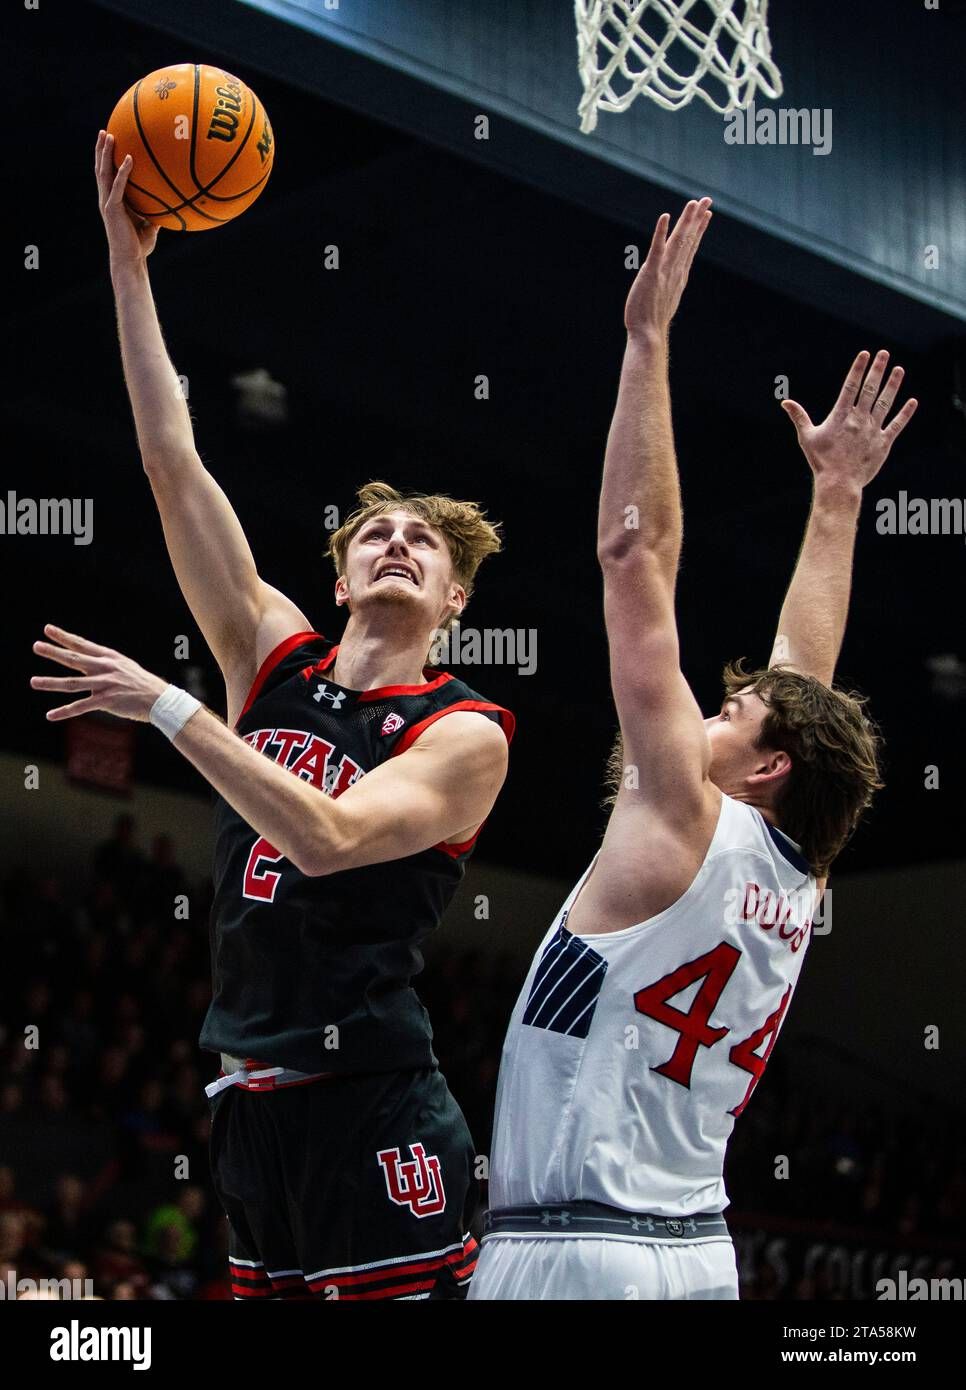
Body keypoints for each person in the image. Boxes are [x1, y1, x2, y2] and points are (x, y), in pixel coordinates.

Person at [29, 130, 514, 1302]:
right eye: (373, 536)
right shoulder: (274, 656)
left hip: (373, 1099)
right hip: (246, 1103)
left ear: (453, 598)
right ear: (341, 579)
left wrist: (169, 709)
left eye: (425, 544)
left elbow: (329, 837)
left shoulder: (463, 732)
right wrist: (128, 263)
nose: (395, 542)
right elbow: (168, 457)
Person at [470, 198, 917, 1300]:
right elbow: (804, 672)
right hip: (696, 1253)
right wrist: (838, 498)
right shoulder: (797, 871)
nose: (705, 713)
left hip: (576, 1249)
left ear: (764, 767)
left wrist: (646, 345)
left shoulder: (682, 812)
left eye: (731, 716)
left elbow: (634, 557)